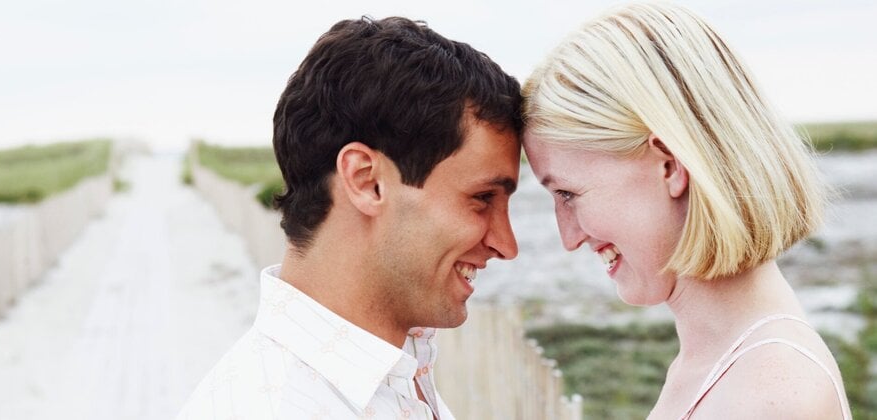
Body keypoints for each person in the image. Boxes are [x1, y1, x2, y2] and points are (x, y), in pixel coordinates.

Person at [175, 16, 522, 419]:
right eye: (482, 198)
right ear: (366, 181)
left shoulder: (389, 378)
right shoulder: (276, 408)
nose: (507, 244)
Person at [522, 3, 851, 419]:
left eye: (568, 193)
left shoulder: (768, 395)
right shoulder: (715, 363)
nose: (568, 238)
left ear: (670, 166)